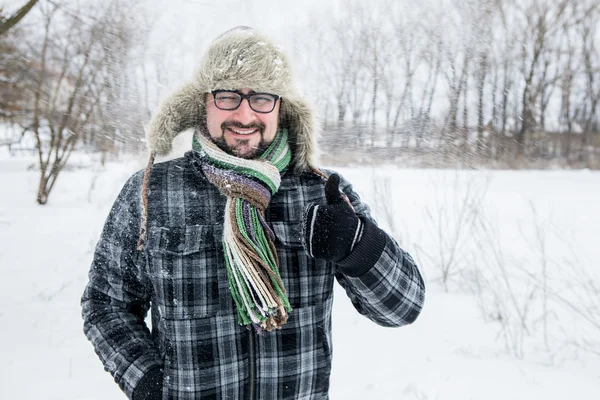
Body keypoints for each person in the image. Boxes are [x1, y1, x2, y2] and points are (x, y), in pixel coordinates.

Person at [81, 26, 425, 400]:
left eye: (261, 98)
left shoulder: (320, 193)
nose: (245, 115)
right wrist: (148, 382)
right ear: (204, 102)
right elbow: (106, 302)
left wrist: (359, 246)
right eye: (228, 96)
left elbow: (403, 307)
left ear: (281, 107)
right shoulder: (153, 191)